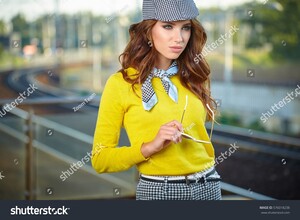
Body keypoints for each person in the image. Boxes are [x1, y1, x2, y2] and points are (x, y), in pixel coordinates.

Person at [92, 0, 222, 200]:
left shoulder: (193, 75)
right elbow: (100, 159)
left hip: (208, 186)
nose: (178, 38)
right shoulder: (121, 84)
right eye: (168, 26)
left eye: (185, 27)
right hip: (160, 191)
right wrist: (150, 146)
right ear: (147, 32)